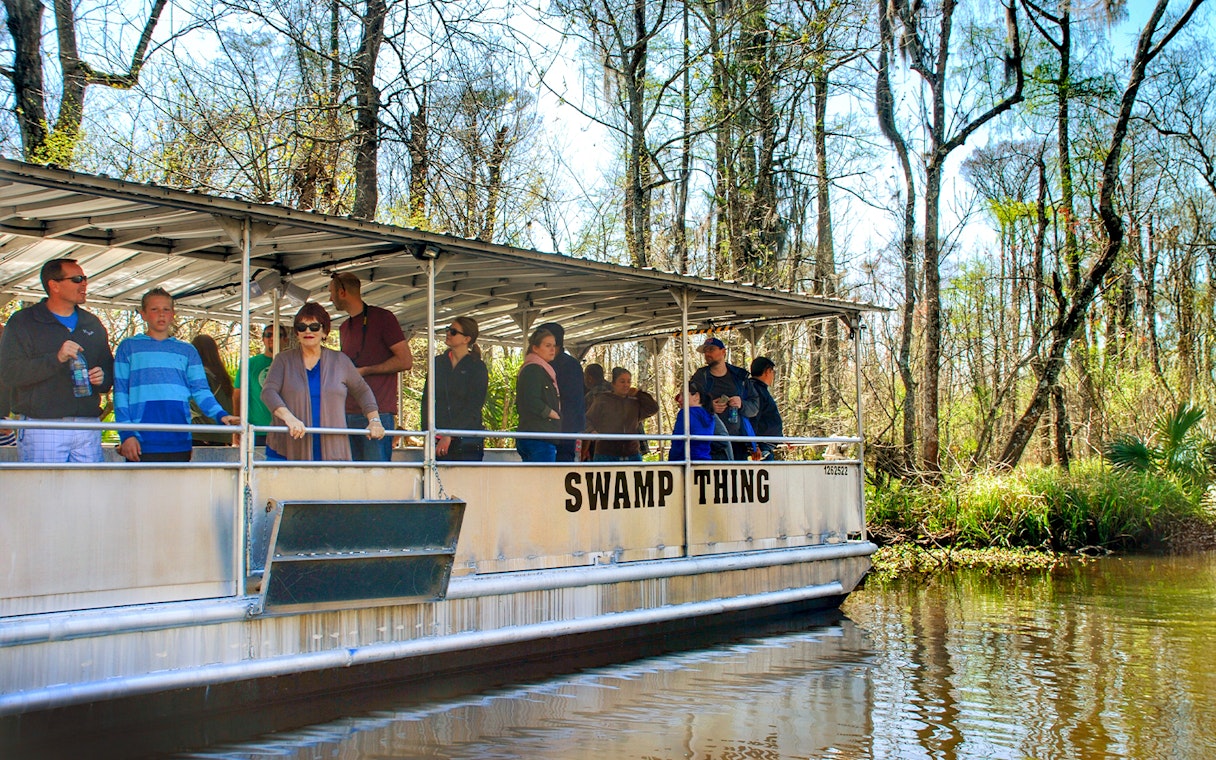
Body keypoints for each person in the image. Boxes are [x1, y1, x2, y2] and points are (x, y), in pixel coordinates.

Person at [0, 258, 114, 462]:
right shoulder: (23, 321)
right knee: (45, 491)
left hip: (88, 424)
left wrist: (102, 377)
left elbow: (108, 370)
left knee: (88, 492)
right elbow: (10, 373)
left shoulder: (92, 323)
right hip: (43, 424)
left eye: (85, 279)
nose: (84, 284)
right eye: (77, 279)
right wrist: (56, 358)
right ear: (54, 285)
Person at [113, 288, 239, 462]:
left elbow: (201, 390)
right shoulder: (128, 347)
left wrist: (220, 414)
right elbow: (120, 393)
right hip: (141, 440)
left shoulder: (187, 350)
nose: (161, 315)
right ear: (143, 314)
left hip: (179, 439)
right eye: (154, 309)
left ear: (173, 314)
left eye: (166, 309)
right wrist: (126, 435)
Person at [261, 302, 383, 461]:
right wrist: (289, 418)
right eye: (301, 327)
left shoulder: (340, 361)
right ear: (296, 333)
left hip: (332, 448)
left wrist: (374, 420)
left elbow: (362, 391)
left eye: (314, 327)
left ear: (324, 331)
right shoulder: (283, 360)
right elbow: (268, 392)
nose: (307, 331)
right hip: (287, 447)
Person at [328, 272, 412, 461]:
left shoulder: (383, 318)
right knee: (351, 479)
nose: (330, 298)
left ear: (342, 292)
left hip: (377, 414)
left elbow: (405, 360)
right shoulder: (343, 327)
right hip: (347, 413)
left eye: (331, 292)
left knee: (376, 477)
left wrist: (366, 370)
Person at [422, 316, 488, 461]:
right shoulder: (438, 363)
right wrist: (426, 434)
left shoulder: (477, 367)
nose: (448, 334)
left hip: (467, 441)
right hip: (437, 438)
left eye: (453, 331)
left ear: (466, 339)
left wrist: (450, 434)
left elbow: (474, 405)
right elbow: (427, 400)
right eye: (448, 330)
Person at [690, 337, 758, 460]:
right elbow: (688, 404)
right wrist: (709, 407)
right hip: (711, 440)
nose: (707, 354)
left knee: (738, 478)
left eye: (711, 349)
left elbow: (754, 407)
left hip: (738, 440)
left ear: (723, 352)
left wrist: (741, 404)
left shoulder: (740, 377)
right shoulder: (700, 377)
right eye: (705, 351)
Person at [585, 367, 659, 462]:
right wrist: (592, 432)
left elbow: (653, 408)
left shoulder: (635, 402)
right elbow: (587, 419)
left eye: (628, 382)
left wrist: (639, 393)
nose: (626, 385)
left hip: (631, 452)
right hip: (606, 453)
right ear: (613, 384)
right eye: (622, 382)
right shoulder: (602, 400)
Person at [234, 324, 290, 447]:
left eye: (277, 335)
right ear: (263, 339)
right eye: (268, 335)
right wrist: (237, 427)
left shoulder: (292, 364)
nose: (272, 338)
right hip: (256, 430)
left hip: (285, 429)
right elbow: (238, 396)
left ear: (285, 339)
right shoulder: (250, 364)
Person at [538, 322, 584, 462]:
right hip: (547, 429)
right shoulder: (542, 364)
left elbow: (572, 402)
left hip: (563, 430)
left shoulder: (569, 366)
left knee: (561, 466)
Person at [514, 326, 561, 462]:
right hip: (538, 435)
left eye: (553, 345)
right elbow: (531, 400)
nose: (552, 349)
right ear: (535, 348)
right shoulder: (533, 369)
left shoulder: (540, 369)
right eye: (547, 346)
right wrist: (551, 413)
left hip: (538, 433)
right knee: (543, 480)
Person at [190, 334, 236, 446]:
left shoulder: (201, 376)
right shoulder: (222, 376)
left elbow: (196, 404)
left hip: (202, 434)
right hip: (223, 434)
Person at [668, 384, 716, 462]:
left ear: (696, 396)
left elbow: (678, 442)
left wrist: (671, 461)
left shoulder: (685, 413)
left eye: (683, 395)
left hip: (684, 461)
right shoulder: (710, 416)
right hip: (705, 460)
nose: (679, 399)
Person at [750, 356, 783, 461]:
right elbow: (753, 418)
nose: (773, 376)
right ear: (767, 371)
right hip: (761, 448)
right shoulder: (755, 390)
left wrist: (782, 438)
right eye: (772, 372)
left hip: (767, 444)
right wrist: (754, 445)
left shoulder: (760, 389)